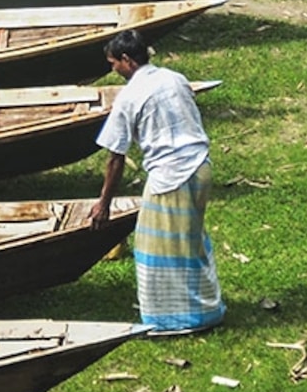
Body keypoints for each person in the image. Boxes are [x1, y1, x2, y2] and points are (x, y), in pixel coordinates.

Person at [87, 27, 226, 336]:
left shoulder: (129, 97)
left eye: (113, 63)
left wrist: (104, 204)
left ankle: (173, 321)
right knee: (190, 242)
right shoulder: (174, 78)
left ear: (127, 60)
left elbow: (115, 158)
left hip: (171, 177)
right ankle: (205, 308)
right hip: (200, 168)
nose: (113, 70)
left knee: (156, 248)